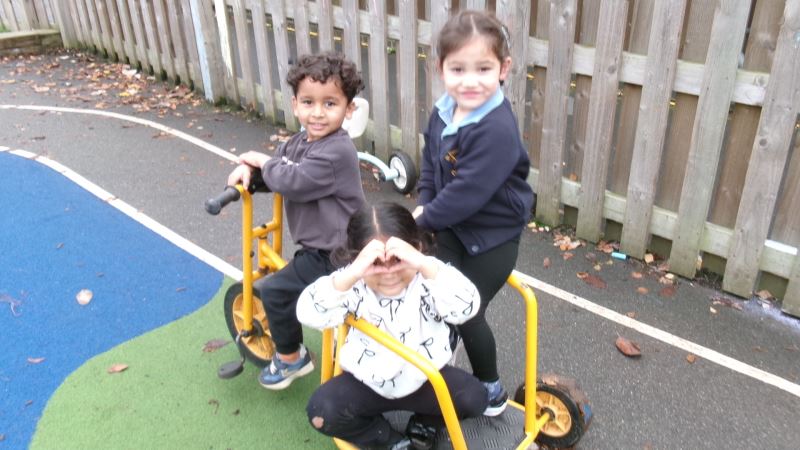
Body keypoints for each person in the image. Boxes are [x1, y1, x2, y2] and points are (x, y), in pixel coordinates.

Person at [412, 10, 535, 417]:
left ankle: (490, 388)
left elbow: (467, 193)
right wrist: (425, 204)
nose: (470, 81)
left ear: (503, 69)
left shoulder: (496, 129)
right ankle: (429, 375)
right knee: (429, 298)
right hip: (452, 225)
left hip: (493, 236)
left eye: (483, 69)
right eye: (458, 69)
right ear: (440, 68)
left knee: (465, 309)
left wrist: (422, 220)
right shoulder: (444, 111)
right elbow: (431, 163)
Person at [226, 52, 366, 390]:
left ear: (348, 109)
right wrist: (250, 172)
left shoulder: (337, 151)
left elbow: (294, 180)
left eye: (330, 103)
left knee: (275, 292)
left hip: (338, 253)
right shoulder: (299, 142)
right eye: (308, 102)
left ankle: (291, 358)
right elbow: (280, 170)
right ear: (295, 104)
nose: (317, 113)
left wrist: (260, 160)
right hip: (322, 245)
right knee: (292, 283)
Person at [297, 202, 488, 450]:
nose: (389, 273)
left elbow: (468, 306)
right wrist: (352, 273)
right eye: (375, 263)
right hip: (368, 381)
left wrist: (422, 263)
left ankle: (425, 424)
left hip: (425, 380)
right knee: (322, 412)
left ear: (417, 248)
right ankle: (388, 440)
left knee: (475, 398)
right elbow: (306, 313)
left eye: (398, 260)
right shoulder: (353, 284)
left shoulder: (429, 278)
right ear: (356, 259)